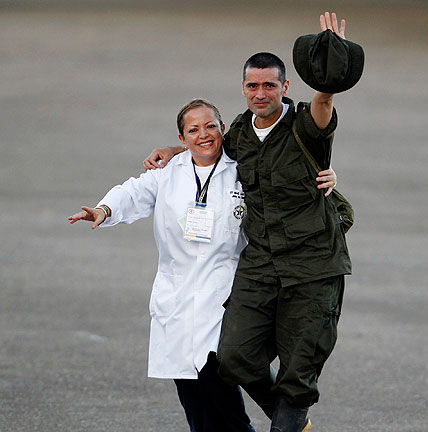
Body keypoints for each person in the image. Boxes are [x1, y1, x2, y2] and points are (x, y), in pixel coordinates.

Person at [68, 99, 337, 432]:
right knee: (196, 404)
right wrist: (104, 210)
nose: (204, 135)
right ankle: (292, 419)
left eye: (210, 126)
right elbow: (133, 192)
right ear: (182, 139)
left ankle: (291, 416)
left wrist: (327, 175)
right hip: (177, 299)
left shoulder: (243, 169)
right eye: (193, 130)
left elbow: (287, 181)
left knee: (220, 391)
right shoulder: (167, 173)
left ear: (223, 129)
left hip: (225, 296)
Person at [144, 12, 356, 432]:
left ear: (285, 88)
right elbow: (209, 146)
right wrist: (174, 149)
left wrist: (329, 74)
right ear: (243, 88)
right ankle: (292, 419)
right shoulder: (239, 133)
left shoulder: (305, 126)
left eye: (269, 85)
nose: (261, 93)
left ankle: (291, 419)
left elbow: (324, 105)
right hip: (262, 264)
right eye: (253, 85)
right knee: (233, 357)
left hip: (312, 266)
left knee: (298, 374)